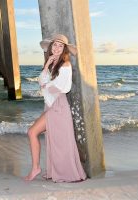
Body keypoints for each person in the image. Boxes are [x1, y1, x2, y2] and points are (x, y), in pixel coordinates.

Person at [24, 34, 87, 182]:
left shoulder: (65, 65)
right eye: (55, 45)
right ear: (51, 47)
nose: (57, 48)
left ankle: (36, 168)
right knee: (55, 139)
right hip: (52, 105)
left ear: (64, 49)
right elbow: (40, 81)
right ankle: (44, 169)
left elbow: (63, 87)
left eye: (60, 45)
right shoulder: (53, 63)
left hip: (58, 105)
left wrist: (47, 85)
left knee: (32, 132)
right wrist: (46, 66)